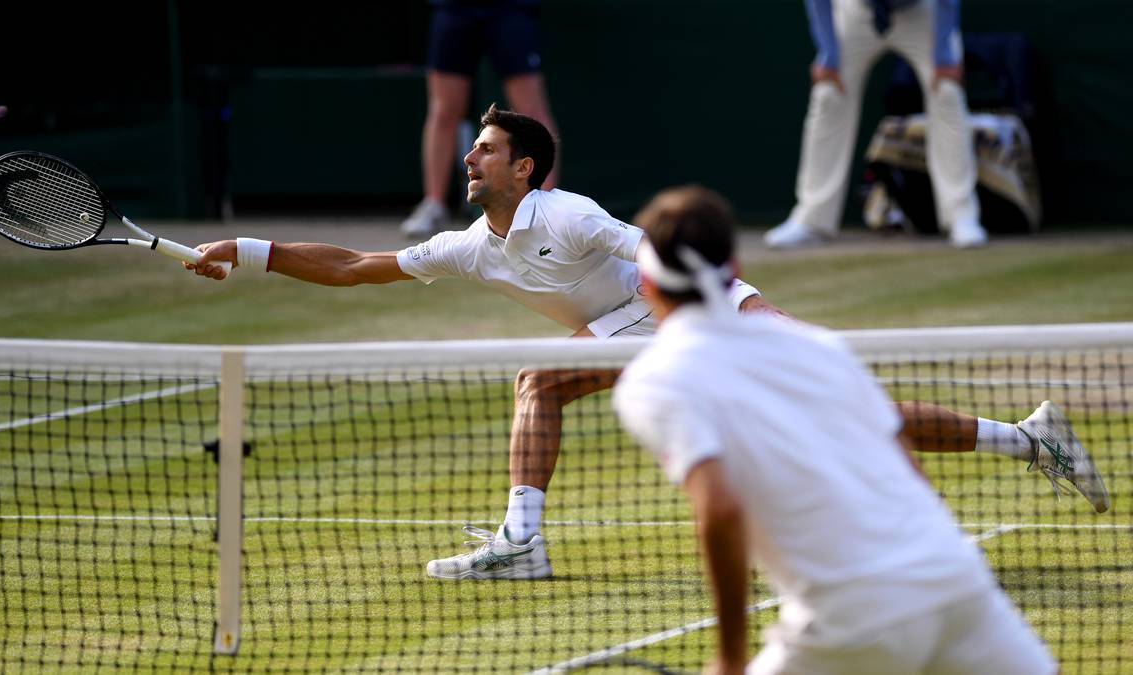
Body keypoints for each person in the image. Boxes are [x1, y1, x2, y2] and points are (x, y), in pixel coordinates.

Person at [187, 106, 1108, 583]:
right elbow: (352, 265)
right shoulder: (468, 244)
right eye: (471, 149)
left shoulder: (569, 212)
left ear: (525, 168)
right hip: (637, 334)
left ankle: (1026, 439)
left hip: (694, 312)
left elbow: (664, 254)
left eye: (485, 150)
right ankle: (523, 540)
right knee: (536, 381)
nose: (469, 160)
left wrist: (725, 326)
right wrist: (250, 251)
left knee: (845, 414)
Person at [614, 185, 1056, 674]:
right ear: (734, 271)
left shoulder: (654, 381)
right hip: (957, 583)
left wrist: (730, 658)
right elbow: (906, 466)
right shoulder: (818, 346)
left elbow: (719, 508)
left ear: (647, 285)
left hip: (852, 618)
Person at [766, 0, 989, 249]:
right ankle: (812, 220)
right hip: (856, 11)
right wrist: (829, 54)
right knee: (828, 93)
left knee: (947, 91)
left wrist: (943, 55)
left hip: (921, 11)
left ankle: (961, 216)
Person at [400, 0, 560, 239]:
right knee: (443, 110)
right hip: (455, 9)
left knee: (532, 111)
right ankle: (434, 203)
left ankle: (546, 207)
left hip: (511, 9)